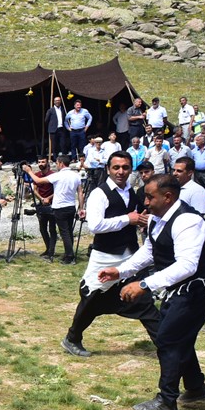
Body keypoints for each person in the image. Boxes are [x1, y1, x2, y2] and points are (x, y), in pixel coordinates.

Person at [98, 174, 205, 410]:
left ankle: (167, 400)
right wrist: (120, 271)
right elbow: (150, 252)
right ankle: (196, 387)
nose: (146, 202)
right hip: (179, 286)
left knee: (168, 338)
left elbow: (187, 266)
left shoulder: (188, 221)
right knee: (177, 335)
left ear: (168, 196)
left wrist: (143, 284)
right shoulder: (156, 219)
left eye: (150, 197)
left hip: (198, 288)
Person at [52, 151, 161, 357]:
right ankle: (72, 338)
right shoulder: (99, 194)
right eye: (116, 167)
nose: (121, 172)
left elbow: (142, 216)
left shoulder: (133, 193)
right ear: (108, 169)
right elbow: (95, 225)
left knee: (143, 300)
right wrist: (127, 219)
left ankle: (164, 343)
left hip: (131, 256)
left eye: (125, 167)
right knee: (91, 299)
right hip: (105, 256)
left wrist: (144, 220)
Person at [24, 154, 80, 264]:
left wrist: (29, 171)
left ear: (61, 163)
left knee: (64, 232)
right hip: (70, 206)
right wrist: (82, 208)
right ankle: (68, 253)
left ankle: (69, 256)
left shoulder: (57, 175)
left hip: (59, 206)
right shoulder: (76, 175)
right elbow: (80, 193)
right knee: (68, 232)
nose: (57, 165)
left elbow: (39, 181)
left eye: (57, 163)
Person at [28, 157, 58, 259]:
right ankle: (48, 248)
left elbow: (57, 190)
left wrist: (48, 198)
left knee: (52, 228)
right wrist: (41, 198)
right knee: (42, 228)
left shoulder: (53, 175)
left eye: (43, 162)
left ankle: (51, 250)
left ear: (47, 163)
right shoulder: (37, 175)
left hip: (52, 204)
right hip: (41, 204)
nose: (41, 163)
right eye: (39, 162)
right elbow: (35, 189)